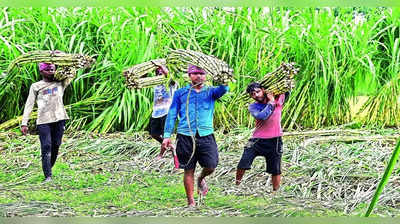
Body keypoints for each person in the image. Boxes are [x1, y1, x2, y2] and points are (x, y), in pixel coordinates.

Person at [161, 64, 229, 207]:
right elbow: (172, 113)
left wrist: (224, 78)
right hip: (185, 135)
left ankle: (201, 178)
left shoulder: (211, 91)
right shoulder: (180, 93)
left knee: (211, 165)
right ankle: (191, 202)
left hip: (206, 135)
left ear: (206, 76)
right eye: (195, 73)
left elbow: (223, 89)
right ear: (189, 76)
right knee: (188, 169)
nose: (199, 76)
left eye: (202, 74)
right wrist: (167, 135)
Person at [21, 62, 71, 182]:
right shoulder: (36, 86)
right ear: (41, 71)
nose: (51, 71)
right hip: (43, 120)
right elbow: (29, 104)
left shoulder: (61, 83)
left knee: (56, 145)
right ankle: (48, 175)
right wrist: (24, 122)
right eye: (48, 70)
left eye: (53, 69)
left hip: (59, 118)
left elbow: (71, 70)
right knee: (46, 145)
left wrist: (61, 58)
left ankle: (49, 167)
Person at [235, 82, 289, 191]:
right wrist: (271, 102)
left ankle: (275, 192)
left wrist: (282, 84)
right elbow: (262, 116)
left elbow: (287, 89)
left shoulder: (279, 99)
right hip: (257, 140)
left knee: (275, 168)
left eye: (258, 91)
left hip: (275, 139)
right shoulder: (253, 106)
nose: (256, 95)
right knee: (243, 162)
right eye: (253, 94)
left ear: (263, 90)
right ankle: (236, 186)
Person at [148, 65, 178, 159]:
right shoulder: (155, 84)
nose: (159, 73)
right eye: (158, 72)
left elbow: (168, 75)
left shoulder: (171, 83)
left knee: (166, 135)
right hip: (156, 112)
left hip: (167, 111)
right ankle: (171, 146)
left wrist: (160, 65)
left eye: (161, 72)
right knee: (154, 134)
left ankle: (161, 154)